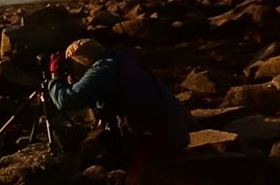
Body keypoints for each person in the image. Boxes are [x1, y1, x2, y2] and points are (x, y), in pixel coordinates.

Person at [46, 38, 190, 161]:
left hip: (156, 141)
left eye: (73, 65)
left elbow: (64, 101)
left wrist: (55, 75)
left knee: (84, 151)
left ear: (84, 60)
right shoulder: (121, 61)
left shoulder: (103, 70)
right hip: (173, 133)